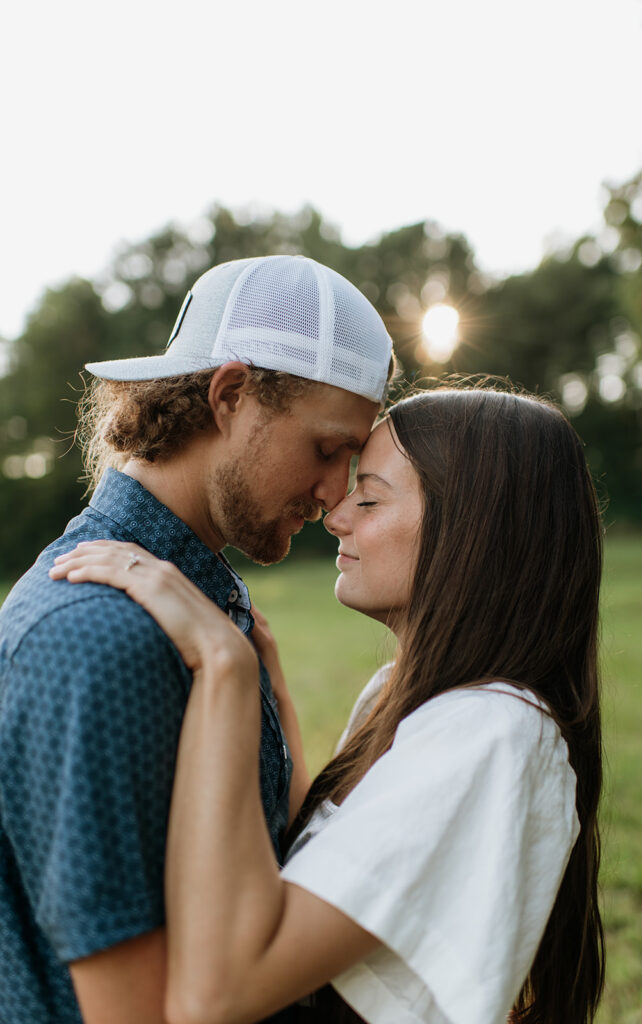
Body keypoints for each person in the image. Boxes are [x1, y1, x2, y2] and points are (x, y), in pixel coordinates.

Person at [50, 385, 606, 1024]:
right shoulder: (406, 695)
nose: (336, 513)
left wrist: (224, 671)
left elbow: (217, 996)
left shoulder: (495, 733)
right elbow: (327, 868)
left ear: (477, 535)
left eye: (368, 497)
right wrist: (273, 689)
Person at [0, 254, 394, 1024]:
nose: (334, 493)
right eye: (325, 450)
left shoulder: (205, 599)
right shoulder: (95, 640)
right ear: (230, 395)